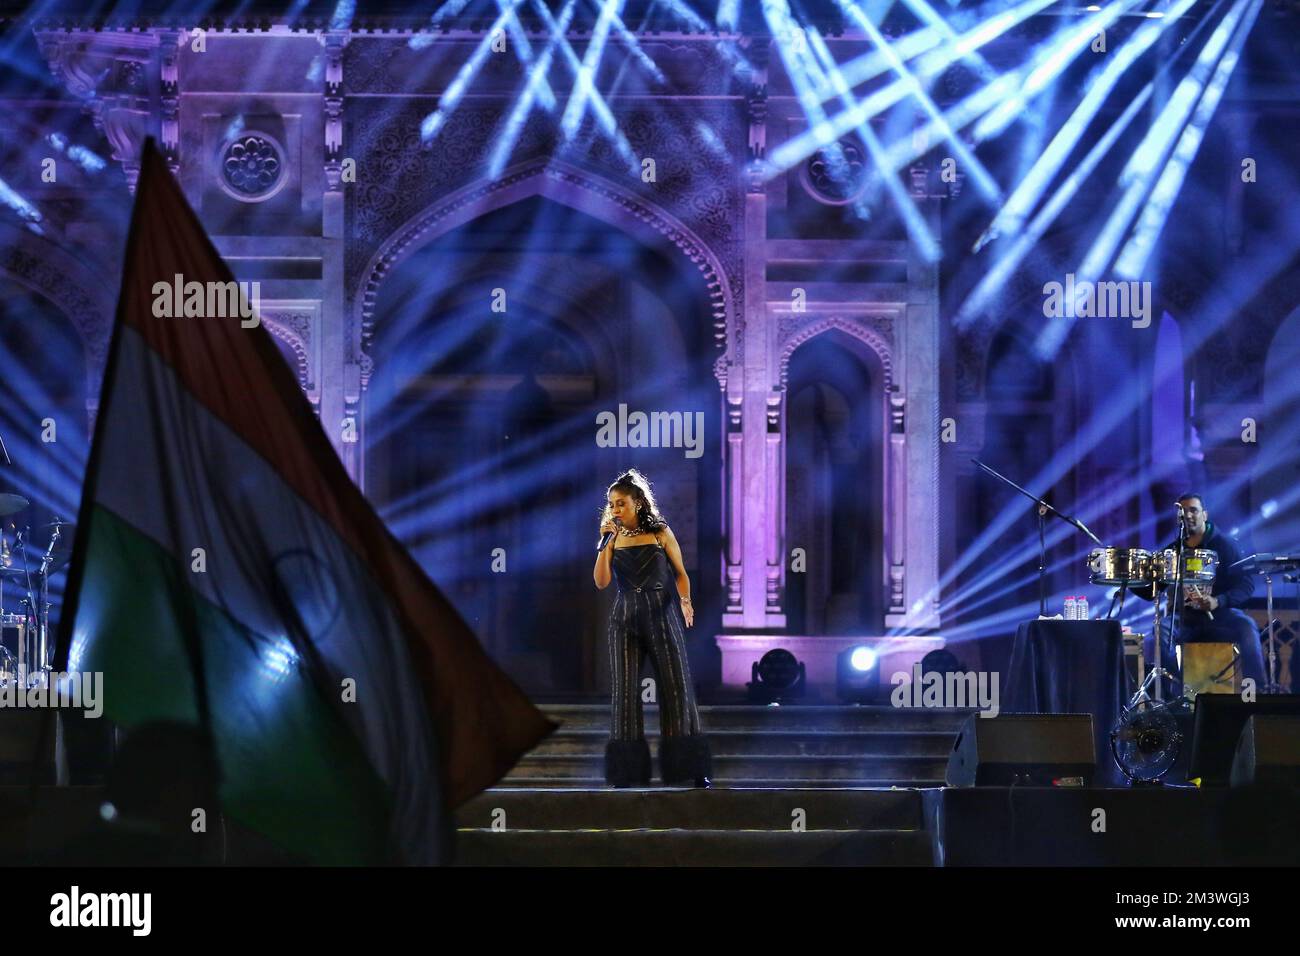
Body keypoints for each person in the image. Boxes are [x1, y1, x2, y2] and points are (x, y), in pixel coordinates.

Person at [593, 469, 712, 788]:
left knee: (675, 688)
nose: (615, 509)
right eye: (612, 504)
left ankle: (688, 768)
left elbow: (680, 573)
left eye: (621, 503)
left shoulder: (660, 532)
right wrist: (605, 544)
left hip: (660, 611)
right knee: (625, 693)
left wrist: (685, 600)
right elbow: (602, 581)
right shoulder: (612, 538)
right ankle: (626, 772)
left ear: (639, 503)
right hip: (625, 614)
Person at [1135, 492, 1264, 690]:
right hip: (1184, 618)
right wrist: (1127, 580)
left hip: (1221, 615)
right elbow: (1151, 592)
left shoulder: (1226, 545)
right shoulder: (1173, 551)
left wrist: (1218, 600)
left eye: (1193, 510)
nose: (1188, 515)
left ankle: (1256, 695)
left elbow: (1246, 585)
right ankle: (1178, 693)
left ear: (1205, 514)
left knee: (1247, 627)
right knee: (1160, 633)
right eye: (1183, 512)